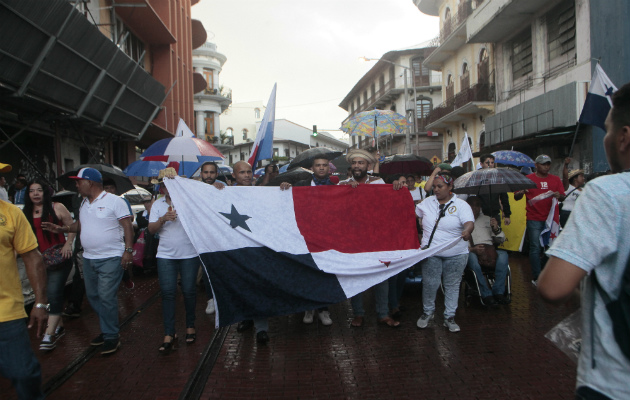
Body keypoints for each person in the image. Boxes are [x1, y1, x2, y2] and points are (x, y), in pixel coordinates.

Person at [538, 81, 630, 400]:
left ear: (624, 137)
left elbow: (553, 287)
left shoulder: (609, 192)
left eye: (606, 129)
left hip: (613, 383)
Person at [43, 167, 134, 355]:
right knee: (93, 296)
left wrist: (128, 251)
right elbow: (80, 225)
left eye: (78, 182)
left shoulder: (115, 201)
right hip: (89, 257)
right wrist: (61, 229)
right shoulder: (84, 203)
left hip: (111, 257)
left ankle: (110, 336)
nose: (76, 185)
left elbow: (127, 227)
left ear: (90, 182)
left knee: (106, 295)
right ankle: (108, 327)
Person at [339, 149, 402, 328]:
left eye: (361, 163)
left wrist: (396, 187)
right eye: (354, 163)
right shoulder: (342, 184)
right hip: (353, 239)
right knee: (356, 277)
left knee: (381, 276)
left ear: (368, 165)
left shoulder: (380, 183)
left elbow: (389, 206)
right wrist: (347, 193)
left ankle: (383, 313)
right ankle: (358, 314)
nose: (357, 166)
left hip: (377, 238)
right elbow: (335, 211)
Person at [0, 172, 48, 400]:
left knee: (24, 373)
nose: (2, 180)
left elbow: (33, 258)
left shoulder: (11, 214)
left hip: (7, 312)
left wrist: (40, 302)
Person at [148, 168, 199, 354]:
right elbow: (151, 230)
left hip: (189, 254)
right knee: (168, 293)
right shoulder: (157, 205)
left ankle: (190, 326)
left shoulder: (188, 201)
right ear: (161, 187)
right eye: (164, 184)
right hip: (165, 255)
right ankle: (169, 333)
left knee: (189, 291)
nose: (167, 187)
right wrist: (163, 219)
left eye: (171, 183)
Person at [415, 171, 474, 332]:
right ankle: (427, 313)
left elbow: (469, 223)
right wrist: (420, 218)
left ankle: (449, 316)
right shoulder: (427, 203)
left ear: (450, 186)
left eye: (440, 186)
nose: (436, 190)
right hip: (431, 253)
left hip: (456, 254)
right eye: (434, 186)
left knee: (452, 285)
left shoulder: (461, 205)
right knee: (429, 284)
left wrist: (467, 231)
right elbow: (411, 213)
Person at [282, 157, 336, 326]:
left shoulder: (336, 188)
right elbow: (288, 200)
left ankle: (323, 309)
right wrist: (285, 187)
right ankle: (309, 308)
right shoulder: (301, 184)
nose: (321, 168)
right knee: (307, 272)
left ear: (329, 168)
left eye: (324, 165)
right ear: (312, 168)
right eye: (318, 165)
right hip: (304, 236)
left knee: (325, 273)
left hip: (326, 237)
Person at [23, 180, 76, 351]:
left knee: (53, 292)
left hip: (59, 257)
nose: (36, 194)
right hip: (38, 261)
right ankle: (58, 325)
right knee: (47, 293)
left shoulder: (57, 207)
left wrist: (68, 244)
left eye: (39, 190)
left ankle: (49, 334)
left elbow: (72, 227)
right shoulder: (25, 212)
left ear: (46, 193)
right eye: (32, 191)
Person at [232, 161, 271, 343]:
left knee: (258, 287)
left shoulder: (262, 193)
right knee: (241, 286)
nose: (247, 175)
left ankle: (261, 328)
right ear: (234, 175)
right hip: (236, 248)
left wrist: (285, 189)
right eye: (242, 172)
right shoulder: (224, 193)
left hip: (257, 248)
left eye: (249, 172)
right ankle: (246, 317)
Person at [514, 155, 565, 285]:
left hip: (551, 220)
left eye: (548, 164)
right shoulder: (528, 179)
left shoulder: (556, 179)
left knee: (550, 247)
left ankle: (546, 272)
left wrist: (560, 196)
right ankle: (537, 276)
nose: (546, 167)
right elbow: (516, 197)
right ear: (536, 165)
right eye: (543, 164)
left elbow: (563, 196)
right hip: (534, 218)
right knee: (535, 247)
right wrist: (521, 192)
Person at [465, 196, 510, 306]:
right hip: (472, 251)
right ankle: (486, 293)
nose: (474, 208)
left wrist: (496, 229)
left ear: (480, 207)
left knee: (503, 255)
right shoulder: (462, 221)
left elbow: (501, 239)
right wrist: (473, 249)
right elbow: (458, 247)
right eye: (472, 205)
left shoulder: (487, 219)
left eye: (477, 205)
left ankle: (498, 291)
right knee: (471, 258)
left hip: (489, 249)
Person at [198, 161, 225, 315]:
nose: (209, 176)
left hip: (218, 235)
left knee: (219, 268)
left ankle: (220, 297)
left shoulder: (221, 188)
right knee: (207, 268)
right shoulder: (192, 187)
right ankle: (211, 298)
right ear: (201, 173)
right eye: (206, 172)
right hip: (200, 235)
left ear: (216, 174)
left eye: (212, 172)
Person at [102, 179, 135, 290]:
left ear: (115, 189)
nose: (109, 190)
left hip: (120, 236)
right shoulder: (99, 202)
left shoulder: (121, 201)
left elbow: (130, 219)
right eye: (106, 188)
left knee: (122, 261)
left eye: (111, 187)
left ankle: (126, 279)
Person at [478, 154, 512, 226]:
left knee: (497, 234)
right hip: (481, 214)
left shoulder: (498, 178)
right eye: (487, 163)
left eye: (492, 163)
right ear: (481, 164)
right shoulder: (477, 178)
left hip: (495, 213)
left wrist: (507, 215)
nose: (490, 165)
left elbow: (504, 197)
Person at [560, 162, 585, 228]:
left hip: (578, 215)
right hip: (567, 214)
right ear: (575, 178)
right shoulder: (568, 187)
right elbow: (565, 177)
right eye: (581, 176)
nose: (583, 178)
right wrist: (566, 165)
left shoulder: (584, 190)